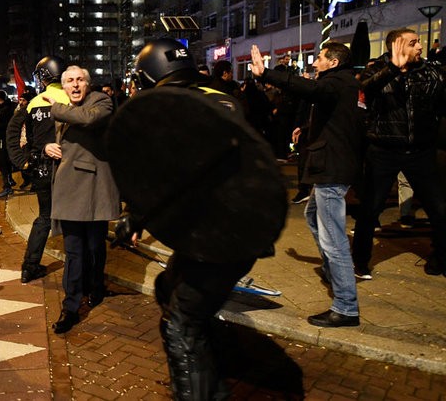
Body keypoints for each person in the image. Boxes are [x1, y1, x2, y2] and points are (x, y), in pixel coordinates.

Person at [112, 39, 286, 399]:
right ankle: (209, 369)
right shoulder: (221, 96)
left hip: (218, 235)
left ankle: (201, 390)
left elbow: (176, 171)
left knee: (182, 326)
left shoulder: (173, 109)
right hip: (225, 230)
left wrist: (136, 214)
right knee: (167, 289)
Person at [250, 42, 363, 327]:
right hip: (334, 164)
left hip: (331, 168)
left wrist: (267, 74)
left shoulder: (336, 81)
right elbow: (336, 119)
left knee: (333, 238)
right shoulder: (345, 83)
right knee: (313, 216)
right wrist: (308, 127)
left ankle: (346, 306)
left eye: (320, 59)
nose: (314, 63)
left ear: (333, 63)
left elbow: (309, 90)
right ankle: (331, 270)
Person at [352, 28, 446, 278]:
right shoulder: (377, 70)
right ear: (396, 46)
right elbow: (365, 89)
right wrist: (393, 69)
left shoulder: (429, 71)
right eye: (413, 43)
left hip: (421, 151)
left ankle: (440, 258)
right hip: (383, 150)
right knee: (370, 209)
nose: (419, 47)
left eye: (419, 43)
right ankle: (360, 261)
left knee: (439, 209)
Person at [43, 66, 119, 333]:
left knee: (96, 247)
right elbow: (55, 139)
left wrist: (56, 107)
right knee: (74, 251)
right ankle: (71, 305)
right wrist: (47, 146)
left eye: (79, 80)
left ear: (87, 84)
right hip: (70, 189)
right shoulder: (64, 107)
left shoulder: (101, 101)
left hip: (94, 188)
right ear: (63, 86)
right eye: (69, 81)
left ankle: (96, 288)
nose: (74, 85)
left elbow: (88, 119)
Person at [6, 56, 69, 284]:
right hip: (68, 170)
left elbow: (26, 136)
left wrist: (23, 161)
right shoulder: (73, 99)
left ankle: (29, 267)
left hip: (41, 168)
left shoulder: (33, 103)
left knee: (44, 217)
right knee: (73, 220)